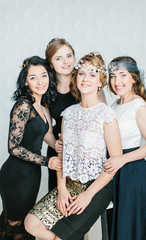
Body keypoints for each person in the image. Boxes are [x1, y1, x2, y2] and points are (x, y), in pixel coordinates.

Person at [24, 52, 122, 240]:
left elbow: (115, 163)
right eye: (82, 74)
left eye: (92, 75)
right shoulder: (68, 114)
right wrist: (61, 188)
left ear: (100, 82)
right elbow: (62, 155)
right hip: (69, 184)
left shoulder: (106, 115)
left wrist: (88, 195)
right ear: (76, 78)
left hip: (97, 187)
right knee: (31, 223)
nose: (86, 79)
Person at [0, 56, 62, 240]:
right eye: (33, 77)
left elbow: (45, 136)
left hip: (31, 175)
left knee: (19, 224)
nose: (40, 81)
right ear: (25, 81)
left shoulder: (42, 107)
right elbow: (13, 147)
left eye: (44, 75)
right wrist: (46, 160)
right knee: (16, 227)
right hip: (16, 174)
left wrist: (58, 144)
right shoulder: (23, 105)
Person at [104, 56, 146, 240]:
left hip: (134, 174)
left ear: (134, 78)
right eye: (112, 76)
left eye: (122, 75)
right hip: (116, 172)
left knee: (130, 230)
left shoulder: (139, 106)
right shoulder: (115, 105)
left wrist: (122, 159)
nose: (116, 81)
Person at [45, 38, 107, 192]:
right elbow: (45, 127)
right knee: (58, 197)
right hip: (59, 148)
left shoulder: (86, 80)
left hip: (86, 150)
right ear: (51, 63)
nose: (65, 61)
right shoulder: (46, 88)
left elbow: (103, 118)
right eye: (58, 58)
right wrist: (55, 144)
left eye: (69, 55)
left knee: (84, 201)